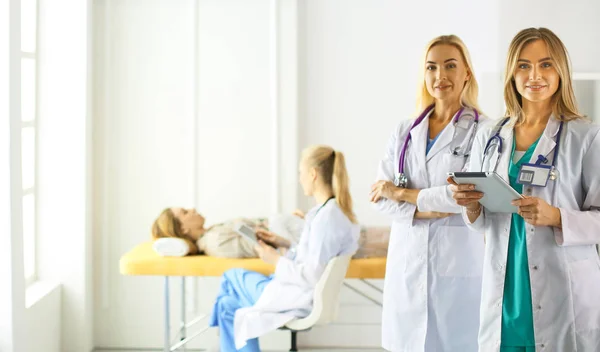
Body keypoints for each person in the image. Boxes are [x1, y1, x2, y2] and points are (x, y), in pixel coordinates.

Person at [449, 27, 600, 351]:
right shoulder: (489, 134)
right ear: (511, 73)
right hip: (505, 292)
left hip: (562, 291)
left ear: (561, 70)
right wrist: (472, 205)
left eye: (546, 64)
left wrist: (557, 216)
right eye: (523, 65)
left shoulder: (586, 136)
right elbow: (480, 221)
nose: (535, 75)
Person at [370, 34, 489, 352]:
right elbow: (380, 197)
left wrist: (405, 195)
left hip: (459, 266)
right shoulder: (405, 131)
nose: (440, 76)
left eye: (451, 66)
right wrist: (425, 205)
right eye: (432, 67)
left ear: (467, 73)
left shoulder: (485, 131)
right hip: (408, 264)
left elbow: (467, 195)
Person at [209, 145, 360, 351]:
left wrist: (275, 259)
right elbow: (313, 257)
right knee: (227, 305)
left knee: (230, 277)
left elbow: (312, 275)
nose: (300, 179)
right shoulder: (329, 212)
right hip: (295, 291)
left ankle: (216, 335)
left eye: (300, 173)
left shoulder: (327, 218)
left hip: (299, 297)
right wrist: (284, 244)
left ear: (313, 174)